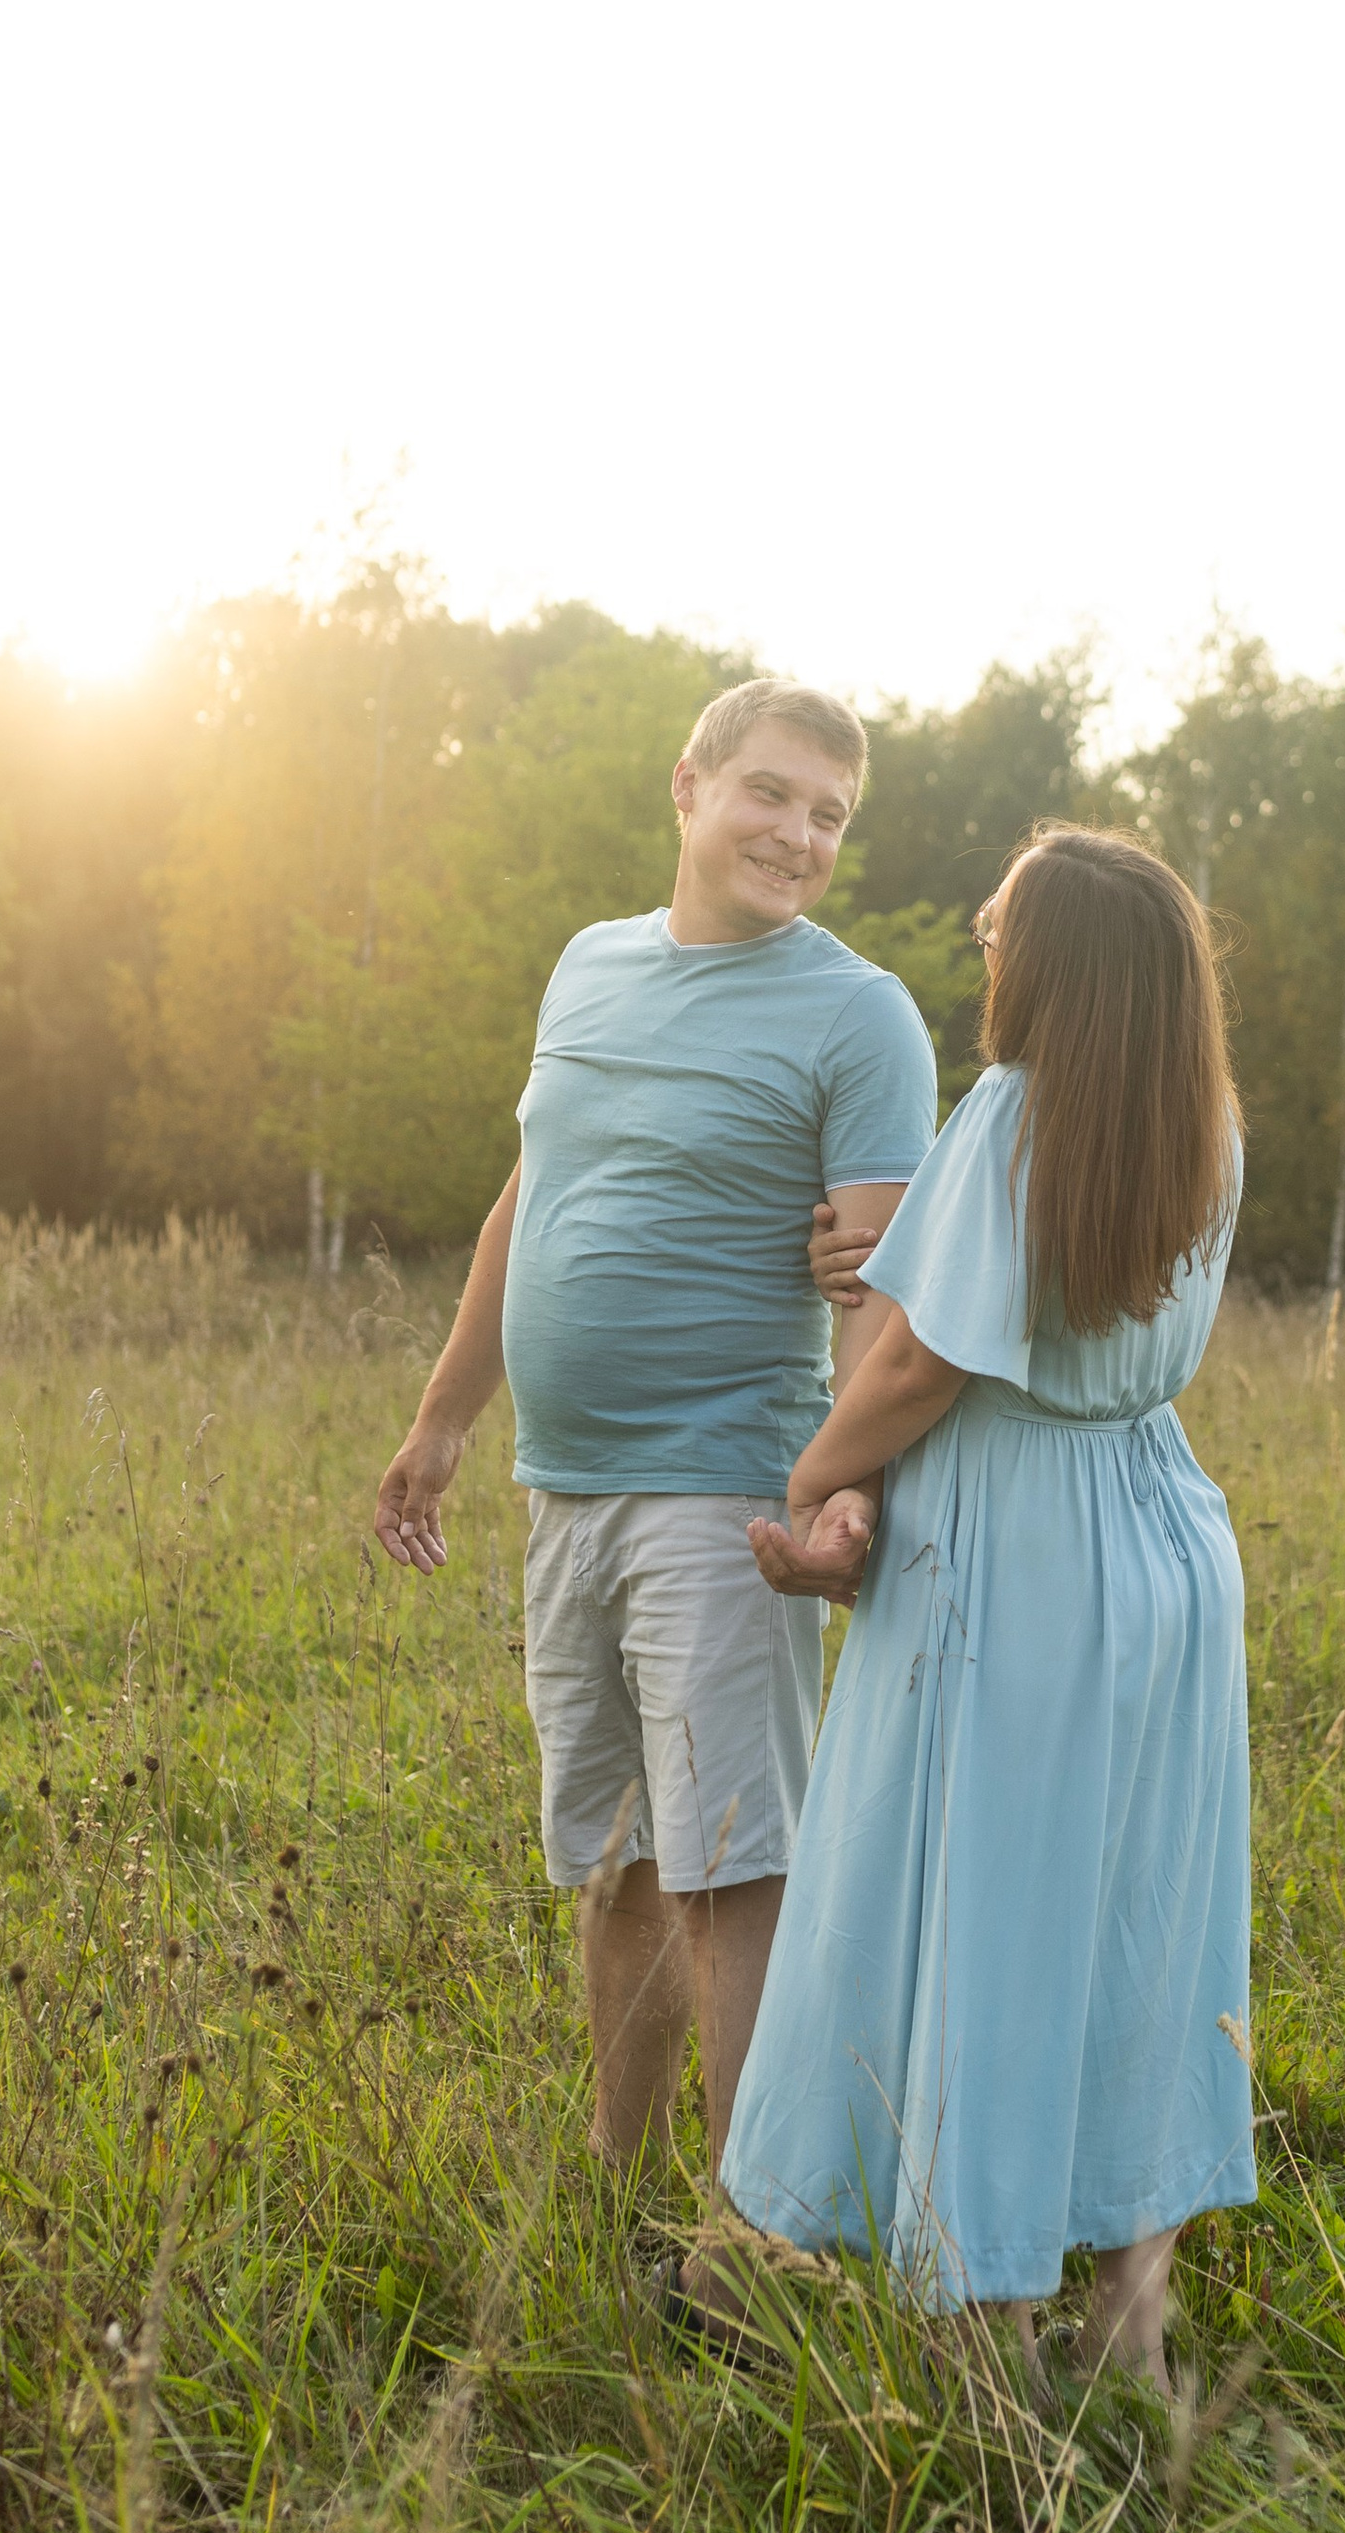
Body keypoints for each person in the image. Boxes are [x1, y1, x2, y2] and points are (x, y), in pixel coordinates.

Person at [370, 678, 939, 2189]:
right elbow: (526, 1201)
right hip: (564, 1487)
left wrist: (843, 1494)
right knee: (619, 1857)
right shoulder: (587, 966)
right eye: (772, 794)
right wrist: (443, 1418)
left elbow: (877, 1288)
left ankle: (748, 2233)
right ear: (687, 787)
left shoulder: (860, 1014)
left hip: (725, 1494)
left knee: (731, 1867)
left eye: (830, 815)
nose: (800, 835)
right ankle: (619, 2185)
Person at [708, 825, 1254, 2389]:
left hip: (1021, 1545)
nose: (979, 929)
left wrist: (816, 1474)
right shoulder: (1207, 1122)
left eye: (1003, 921)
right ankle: (1130, 2323)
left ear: (1061, 965)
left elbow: (920, 1363)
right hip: (1163, 1532)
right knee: (1145, 1924)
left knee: (992, 1924)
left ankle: (983, 2325)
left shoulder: (1016, 1111)